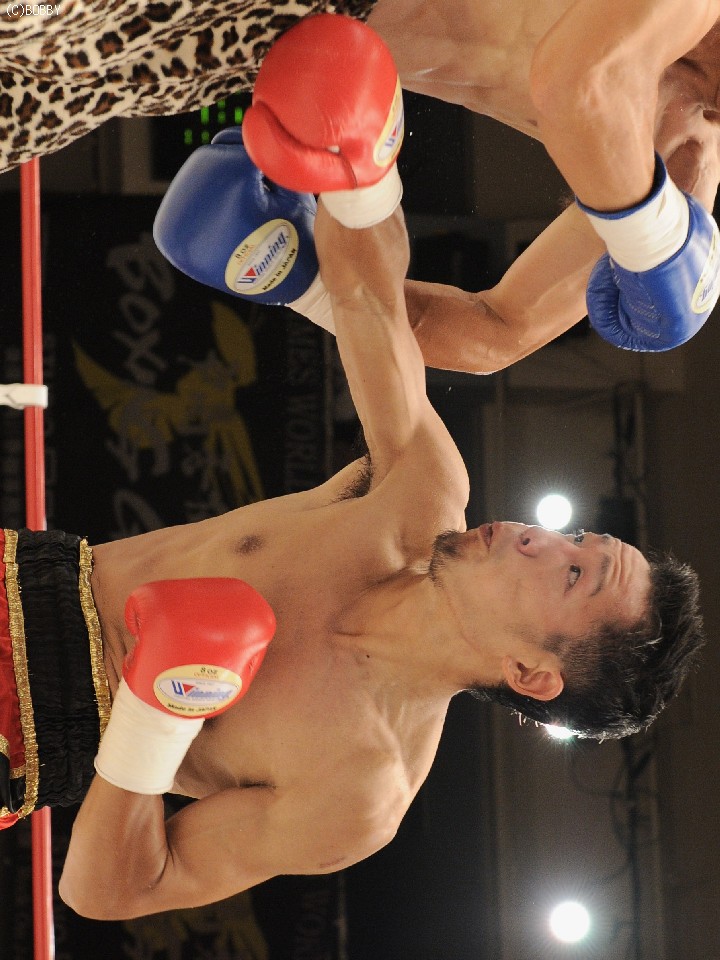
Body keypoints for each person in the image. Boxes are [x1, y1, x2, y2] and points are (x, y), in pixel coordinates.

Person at [19, 23, 699, 919]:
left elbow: (106, 890)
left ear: (533, 672)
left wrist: (154, 713)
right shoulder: (422, 493)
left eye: (574, 574)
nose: (543, 539)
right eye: (576, 537)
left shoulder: (362, 787)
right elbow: (371, 301)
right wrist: (361, 173)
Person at [2, 1, 719, 361]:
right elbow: (579, 82)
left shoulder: (676, 176)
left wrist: (306, 287)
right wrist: (651, 238)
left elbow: (498, 333)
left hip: (247, 52)